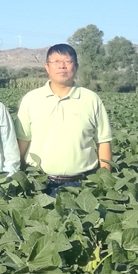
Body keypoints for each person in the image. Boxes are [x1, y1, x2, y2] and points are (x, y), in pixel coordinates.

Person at [16, 43, 113, 192]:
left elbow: (103, 141)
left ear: (76, 67)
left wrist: (105, 182)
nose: (62, 66)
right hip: (38, 181)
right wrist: (19, 175)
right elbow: (23, 140)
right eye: (56, 61)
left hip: (83, 183)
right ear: (47, 67)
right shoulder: (31, 99)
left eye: (67, 61)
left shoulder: (91, 99)